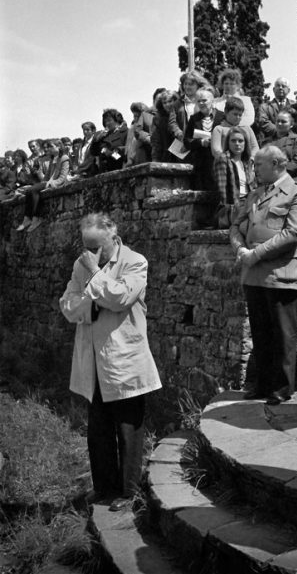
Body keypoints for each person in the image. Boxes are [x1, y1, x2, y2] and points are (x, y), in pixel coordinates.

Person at [59, 213, 161, 512]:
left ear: (114, 240)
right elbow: (67, 304)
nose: (90, 254)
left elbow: (121, 299)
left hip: (124, 361)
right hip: (93, 361)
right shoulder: (82, 265)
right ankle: (104, 487)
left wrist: (94, 276)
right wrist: (91, 304)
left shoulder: (134, 261)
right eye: (86, 247)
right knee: (99, 430)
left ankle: (129, 493)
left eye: (96, 247)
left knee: (128, 430)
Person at [230, 146, 297, 404]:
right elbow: (235, 225)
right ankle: (262, 384)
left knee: (282, 334)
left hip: (281, 274)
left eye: (259, 165)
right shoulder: (255, 194)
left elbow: (293, 234)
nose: (254, 170)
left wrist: (256, 254)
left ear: (277, 164)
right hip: (254, 275)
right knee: (260, 332)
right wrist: (239, 247)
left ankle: (282, 387)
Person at [16, 138, 70, 232]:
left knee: (32, 190)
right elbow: (47, 176)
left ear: (58, 147)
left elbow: (62, 178)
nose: (49, 149)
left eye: (51, 147)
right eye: (48, 147)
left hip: (57, 183)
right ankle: (29, 218)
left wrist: (50, 183)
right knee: (30, 190)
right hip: (48, 182)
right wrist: (42, 184)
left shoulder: (64, 158)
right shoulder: (53, 158)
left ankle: (34, 218)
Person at [213, 126, 256, 229]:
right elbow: (222, 189)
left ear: (245, 143)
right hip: (232, 206)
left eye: (240, 141)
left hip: (248, 203)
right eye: (233, 141)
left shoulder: (247, 161)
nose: (237, 144)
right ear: (228, 143)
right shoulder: (223, 158)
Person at [184, 88, 224, 191]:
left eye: (204, 100)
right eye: (199, 101)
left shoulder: (222, 117)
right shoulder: (194, 119)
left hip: (218, 162)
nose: (201, 103)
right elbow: (187, 141)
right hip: (200, 164)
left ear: (212, 101)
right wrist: (201, 142)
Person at [264, 111, 297, 181]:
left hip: (289, 179)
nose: (279, 124)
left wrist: (277, 171)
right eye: (278, 121)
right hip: (269, 180)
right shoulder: (266, 141)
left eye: (283, 122)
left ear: (291, 125)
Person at [258, 77, 297, 141]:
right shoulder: (264, 107)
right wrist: (282, 132)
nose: (280, 88)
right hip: (272, 141)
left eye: (283, 86)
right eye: (278, 86)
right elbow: (264, 123)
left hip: (292, 141)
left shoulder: (295, 105)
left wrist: (289, 135)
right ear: (273, 89)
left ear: (289, 90)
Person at [90, 109, 128, 173]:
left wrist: (111, 154)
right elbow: (93, 152)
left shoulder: (125, 132)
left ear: (116, 120)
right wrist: (97, 140)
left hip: (119, 170)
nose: (107, 123)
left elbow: (126, 153)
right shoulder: (104, 135)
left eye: (109, 120)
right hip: (104, 172)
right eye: (105, 121)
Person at [151, 89, 179, 162]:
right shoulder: (158, 119)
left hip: (182, 155)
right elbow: (156, 141)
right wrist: (155, 159)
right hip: (165, 157)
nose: (167, 105)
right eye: (164, 103)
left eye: (170, 101)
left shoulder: (182, 113)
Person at [124, 102, 154, 167]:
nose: (136, 118)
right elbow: (128, 147)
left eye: (138, 116)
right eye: (134, 116)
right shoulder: (132, 128)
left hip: (144, 161)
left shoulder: (148, 126)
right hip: (131, 164)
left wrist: (130, 160)